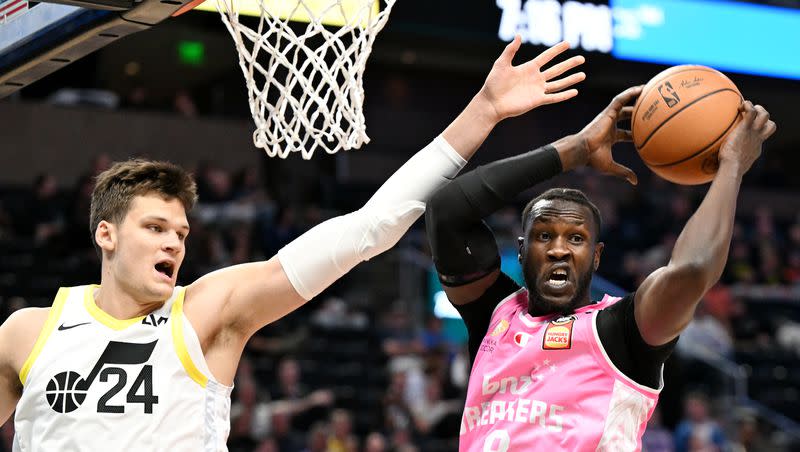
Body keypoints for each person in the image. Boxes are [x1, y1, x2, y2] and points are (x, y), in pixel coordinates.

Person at [0, 36, 586, 450]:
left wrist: (483, 111)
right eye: (155, 229)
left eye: (181, 233)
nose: (174, 244)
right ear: (106, 234)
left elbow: (371, 228)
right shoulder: (28, 331)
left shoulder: (208, 310)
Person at [425, 91, 775, 450]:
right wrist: (576, 149)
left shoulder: (620, 330)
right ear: (521, 249)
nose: (559, 249)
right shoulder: (495, 314)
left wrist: (732, 165)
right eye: (544, 235)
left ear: (596, 256)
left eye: (576, 239)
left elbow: (694, 269)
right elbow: (446, 210)